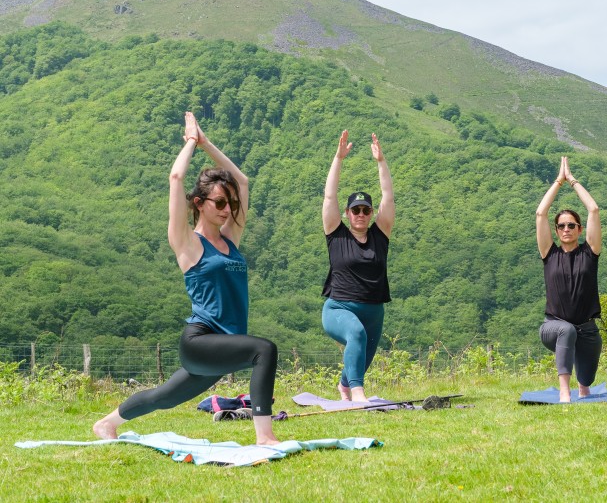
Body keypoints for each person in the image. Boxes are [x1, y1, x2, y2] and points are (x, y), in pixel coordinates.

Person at [94, 112, 280, 445]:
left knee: (164, 397)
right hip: (200, 341)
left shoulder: (230, 239)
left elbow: (244, 181)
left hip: (221, 345)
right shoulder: (187, 242)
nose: (227, 209)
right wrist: (192, 142)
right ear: (199, 203)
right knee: (264, 350)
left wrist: (208, 142)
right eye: (220, 202)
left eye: (230, 204)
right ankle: (265, 437)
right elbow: (176, 177)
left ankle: (107, 424)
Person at [321, 130, 395, 403]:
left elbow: (388, 197)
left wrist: (381, 162)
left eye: (366, 210)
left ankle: (344, 385)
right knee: (355, 334)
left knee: (362, 354)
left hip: (375, 310)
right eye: (356, 210)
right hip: (339, 307)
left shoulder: (380, 234)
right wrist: (338, 158)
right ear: (347, 213)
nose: (361, 214)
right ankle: (357, 394)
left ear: (371, 213)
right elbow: (330, 197)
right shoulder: (336, 233)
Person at [535, 157, 602, 403]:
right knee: (565, 330)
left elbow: (593, 209)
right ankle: (564, 392)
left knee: (587, 380)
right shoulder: (549, 254)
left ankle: (582, 387)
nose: (566, 229)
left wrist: (572, 180)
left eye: (571, 225)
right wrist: (558, 181)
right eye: (561, 225)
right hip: (553, 326)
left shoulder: (589, 252)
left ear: (579, 229)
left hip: (586, 329)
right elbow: (541, 213)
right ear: (556, 230)